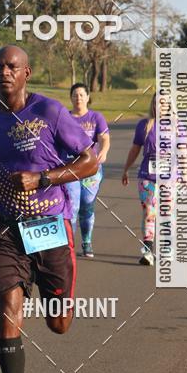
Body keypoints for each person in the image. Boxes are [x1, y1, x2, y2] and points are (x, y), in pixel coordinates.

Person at [0, 45, 98, 373]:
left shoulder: (50, 112)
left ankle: (52, 292)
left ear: (27, 73)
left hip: (50, 228)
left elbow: (89, 161)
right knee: (8, 310)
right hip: (5, 230)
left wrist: (45, 179)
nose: (4, 71)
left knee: (58, 323)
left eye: (12, 66)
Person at [66, 83, 110, 258]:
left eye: (82, 95)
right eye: (75, 95)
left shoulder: (95, 117)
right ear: (71, 98)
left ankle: (86, 241)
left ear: (87, 97)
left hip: (91, 169)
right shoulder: (65, 117)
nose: (78, 98)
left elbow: (104, 138)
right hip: (70, 168)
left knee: (86, 205)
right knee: (73, 207)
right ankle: (69, 246)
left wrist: (104, 151)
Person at [121, 94, 157, 266]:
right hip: (146, 176)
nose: (160, 106)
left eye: (164, 103)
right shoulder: (144, 125)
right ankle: (148, 250)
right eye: (157, 103)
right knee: (149, 211)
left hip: (170, 179)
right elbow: (135, 149)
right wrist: (126, 169)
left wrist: (184, 177)